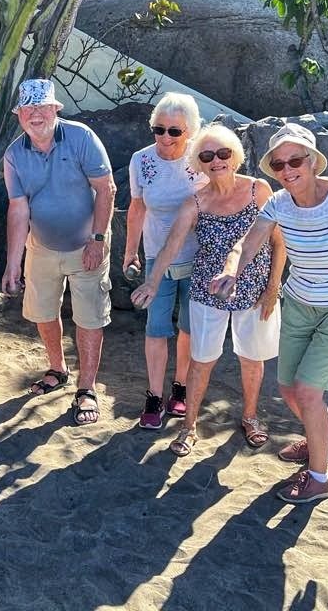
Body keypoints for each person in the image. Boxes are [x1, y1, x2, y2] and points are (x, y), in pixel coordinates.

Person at [212, 122, 328, 504]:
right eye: (279, 164)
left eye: (296, 160)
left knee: (309, 392)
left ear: (313, 162)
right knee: (288, 388)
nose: (288, 169)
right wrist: (231, 271)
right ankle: (319, 438)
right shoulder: (277, 203)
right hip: (299, 302)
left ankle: (319, 478)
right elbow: (250, 240)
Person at [131, 124, 285, 457]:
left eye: (223, 153)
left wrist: (273, 287)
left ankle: (250, 416)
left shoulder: (259, 190)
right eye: (207, 155)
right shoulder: (196, 201)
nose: (216, 161)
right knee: (202, 360)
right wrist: (152, 281)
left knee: (251, 359)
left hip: (254, 290)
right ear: (199, 162)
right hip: (208, 290)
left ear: (236, 156)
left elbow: (277, 241)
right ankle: (189, 427)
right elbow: (172, 244)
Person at [2, 78, 115, 426]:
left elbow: (106, 189)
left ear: (55, 109)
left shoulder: (81, 137)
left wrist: (97, 239)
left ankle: (87, 387)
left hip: (87, 244)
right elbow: (18, 209)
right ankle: (58, 367)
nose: (35, 115)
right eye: (28, 109)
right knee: (43, 311)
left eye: (42, 107)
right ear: (20, 115)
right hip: (42, 245)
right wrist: (12, 262)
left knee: (89, 317)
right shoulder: (14, 154)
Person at [123, 92, 208, 431]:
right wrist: (131, 252)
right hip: (158, 255)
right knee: (156, 327)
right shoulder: (141, 160)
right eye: (159, 129)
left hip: (198, 256)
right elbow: (137, 208)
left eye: (175, 131)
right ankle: (154, 396)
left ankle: (181, 386)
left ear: (190, 131)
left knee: (188, 328)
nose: (166, 138)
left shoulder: (203, 158)